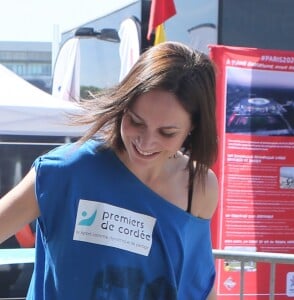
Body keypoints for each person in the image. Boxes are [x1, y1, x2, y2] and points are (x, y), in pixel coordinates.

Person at [0, 41, 218, 299]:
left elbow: (200, 288)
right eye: (136, 122)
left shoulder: (199, 187)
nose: (146, 143)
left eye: (167, 132)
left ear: (193, 128)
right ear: (122, 106)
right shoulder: (66, 171)